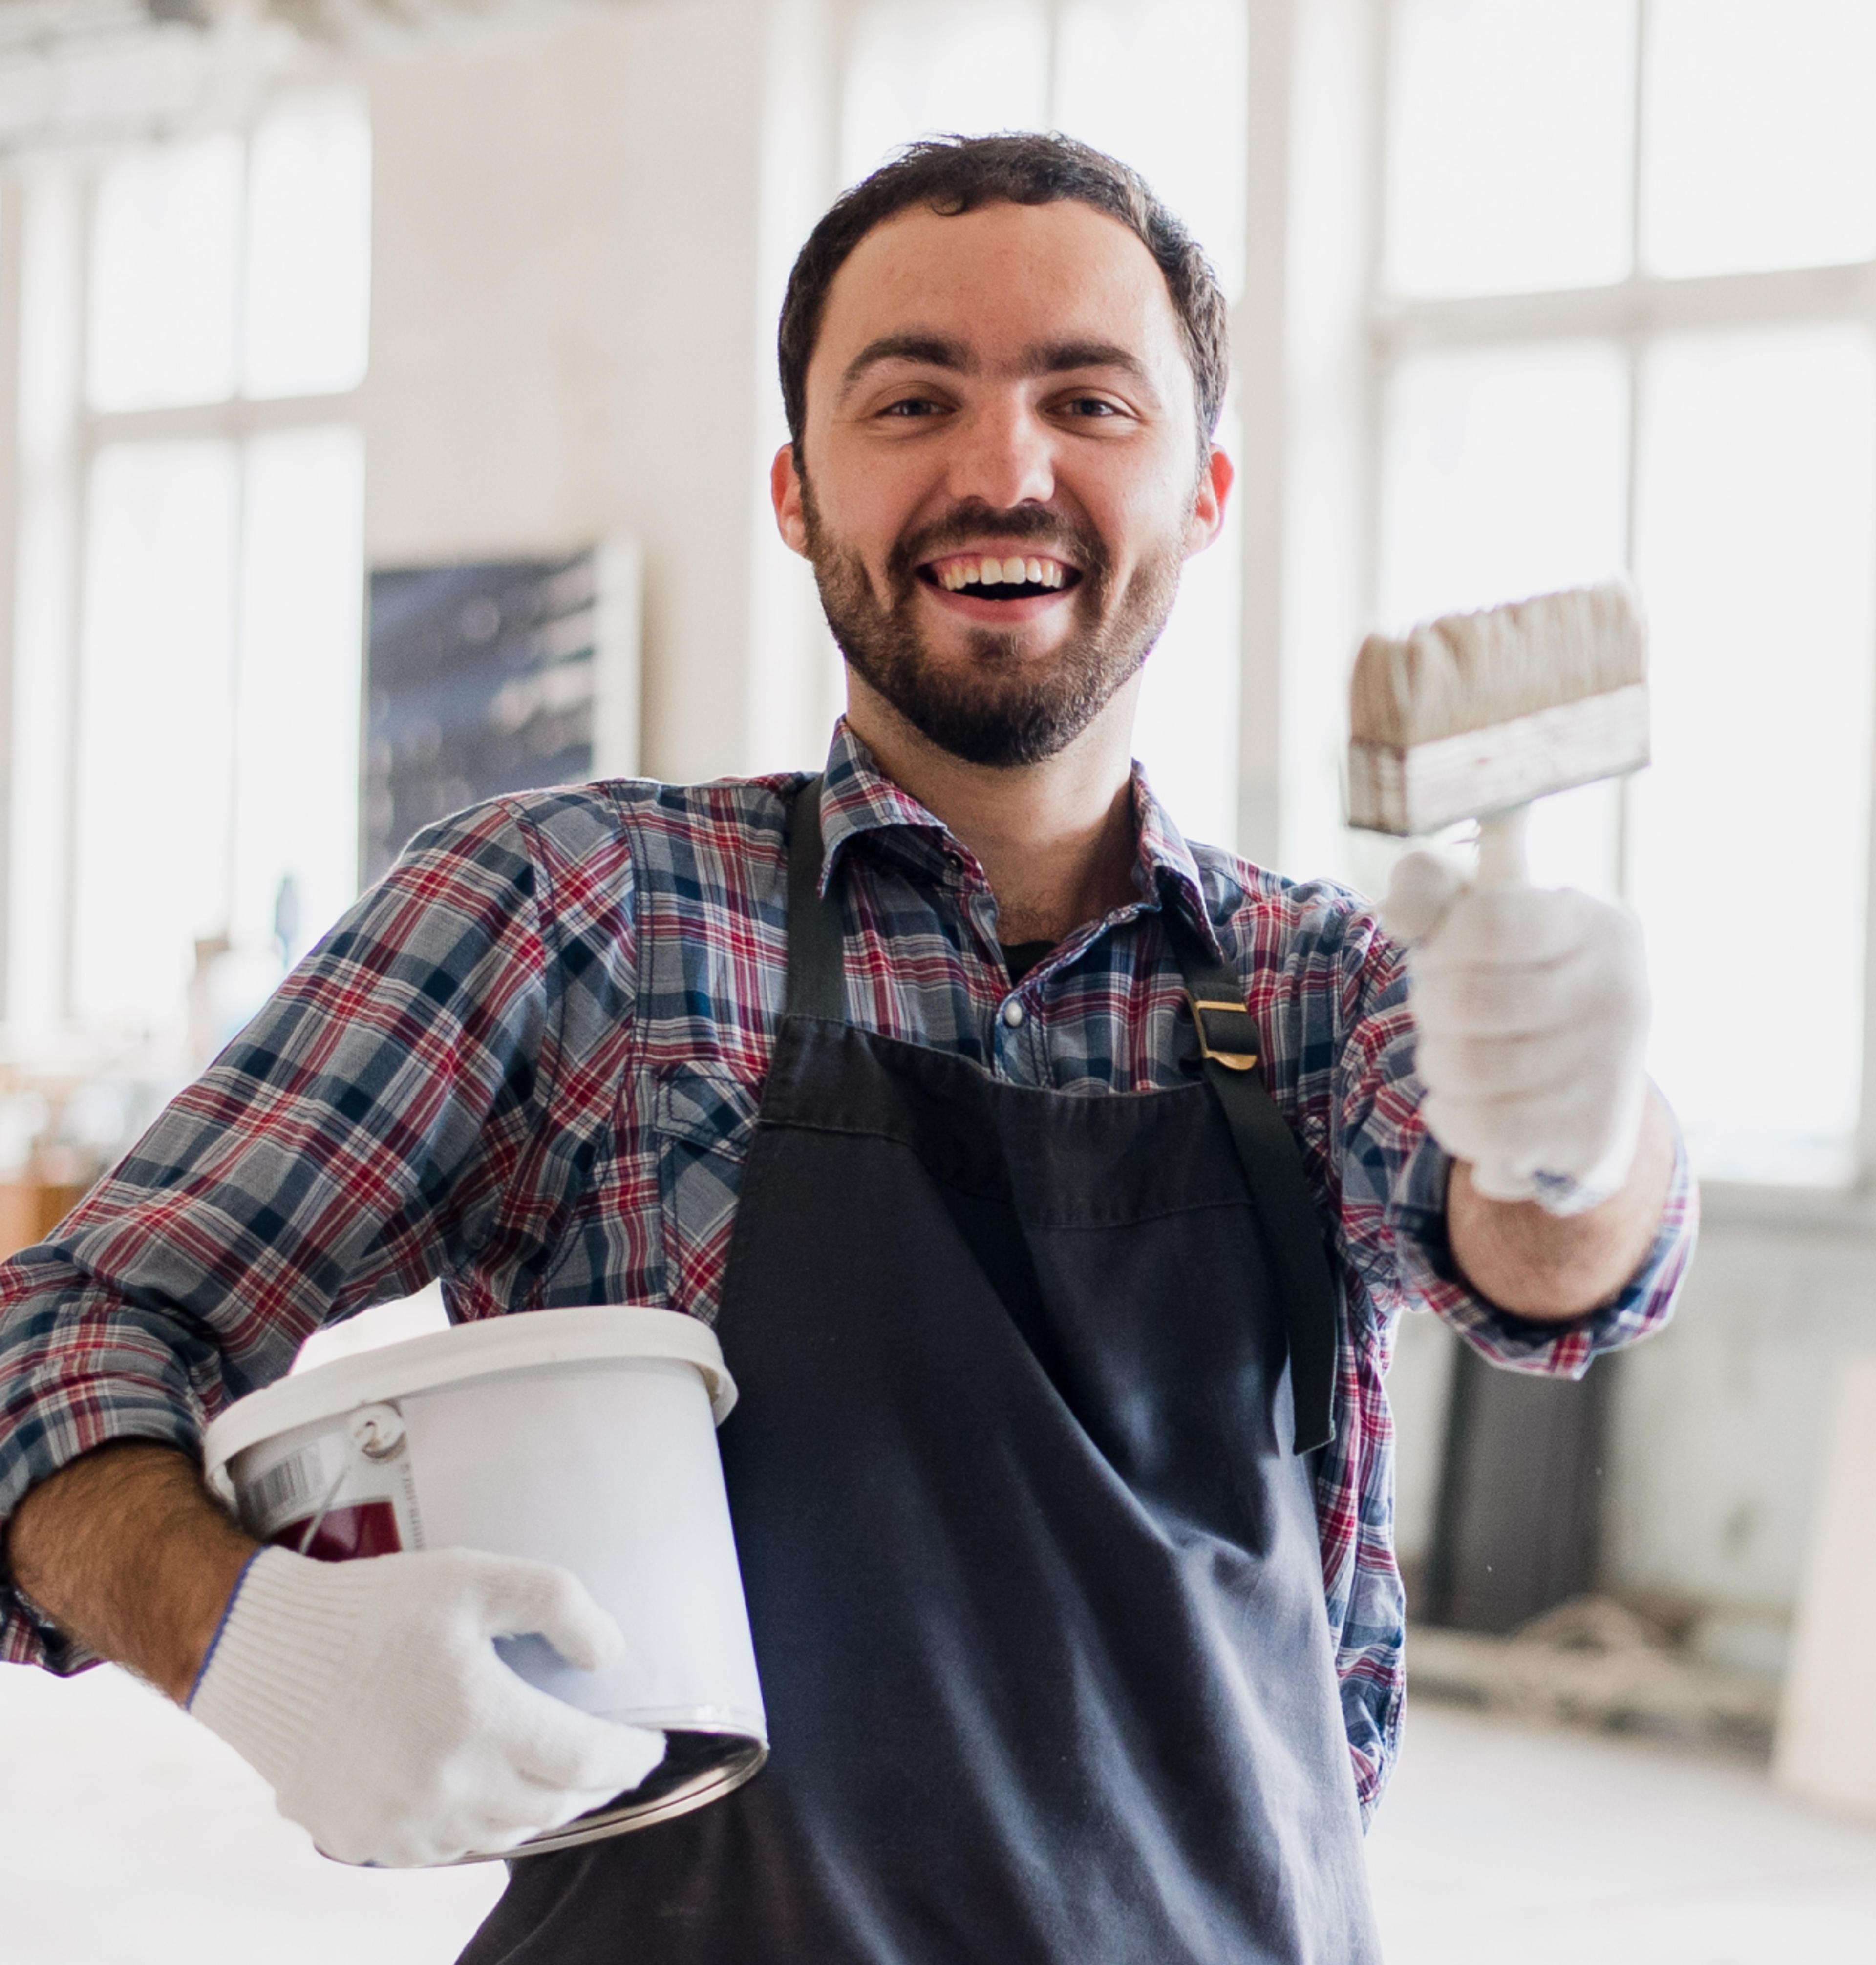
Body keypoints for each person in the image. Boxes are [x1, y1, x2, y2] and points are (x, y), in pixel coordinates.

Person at [0, 134, 1691, 1961]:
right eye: (913, 399)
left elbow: (1549, 1276)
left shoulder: (1323, 988)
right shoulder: (577, 914)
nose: (1003, 471)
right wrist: (250, 1639)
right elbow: (57, 1339)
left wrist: (1575, 1138)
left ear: (1203, 491)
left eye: (1088, 399)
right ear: (799, 494)